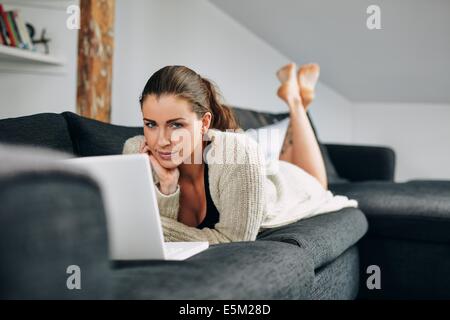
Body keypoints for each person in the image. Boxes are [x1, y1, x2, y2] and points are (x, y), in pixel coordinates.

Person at [123, 64, 357, 244]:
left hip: (287, 188)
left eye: (176, 125)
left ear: (204, 123)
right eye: (151, 124)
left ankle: (295, 101)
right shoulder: (137, 155)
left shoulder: (238, 153)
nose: (161, 141)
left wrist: (145, 226)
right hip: (256, 171)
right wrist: (167, 188)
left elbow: (234, 242)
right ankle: (297, 96)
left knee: (318, 182)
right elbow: (158, 243)